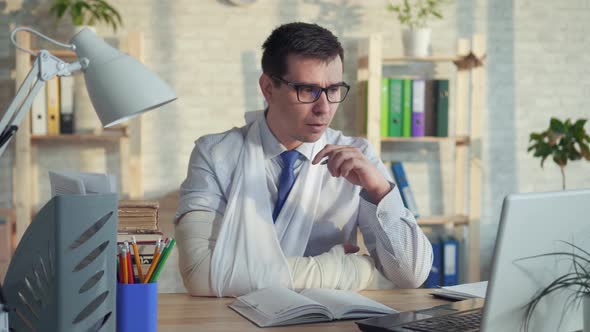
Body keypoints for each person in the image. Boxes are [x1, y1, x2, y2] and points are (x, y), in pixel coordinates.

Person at [175, 22, 433, 297]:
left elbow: (411, 275)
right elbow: (200, 274)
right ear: (267, 88)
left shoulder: (357, 157)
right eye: (307, 90)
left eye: (333, 89)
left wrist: (380, 190)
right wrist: (344, 271)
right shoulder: (215, 154)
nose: (324, 108)